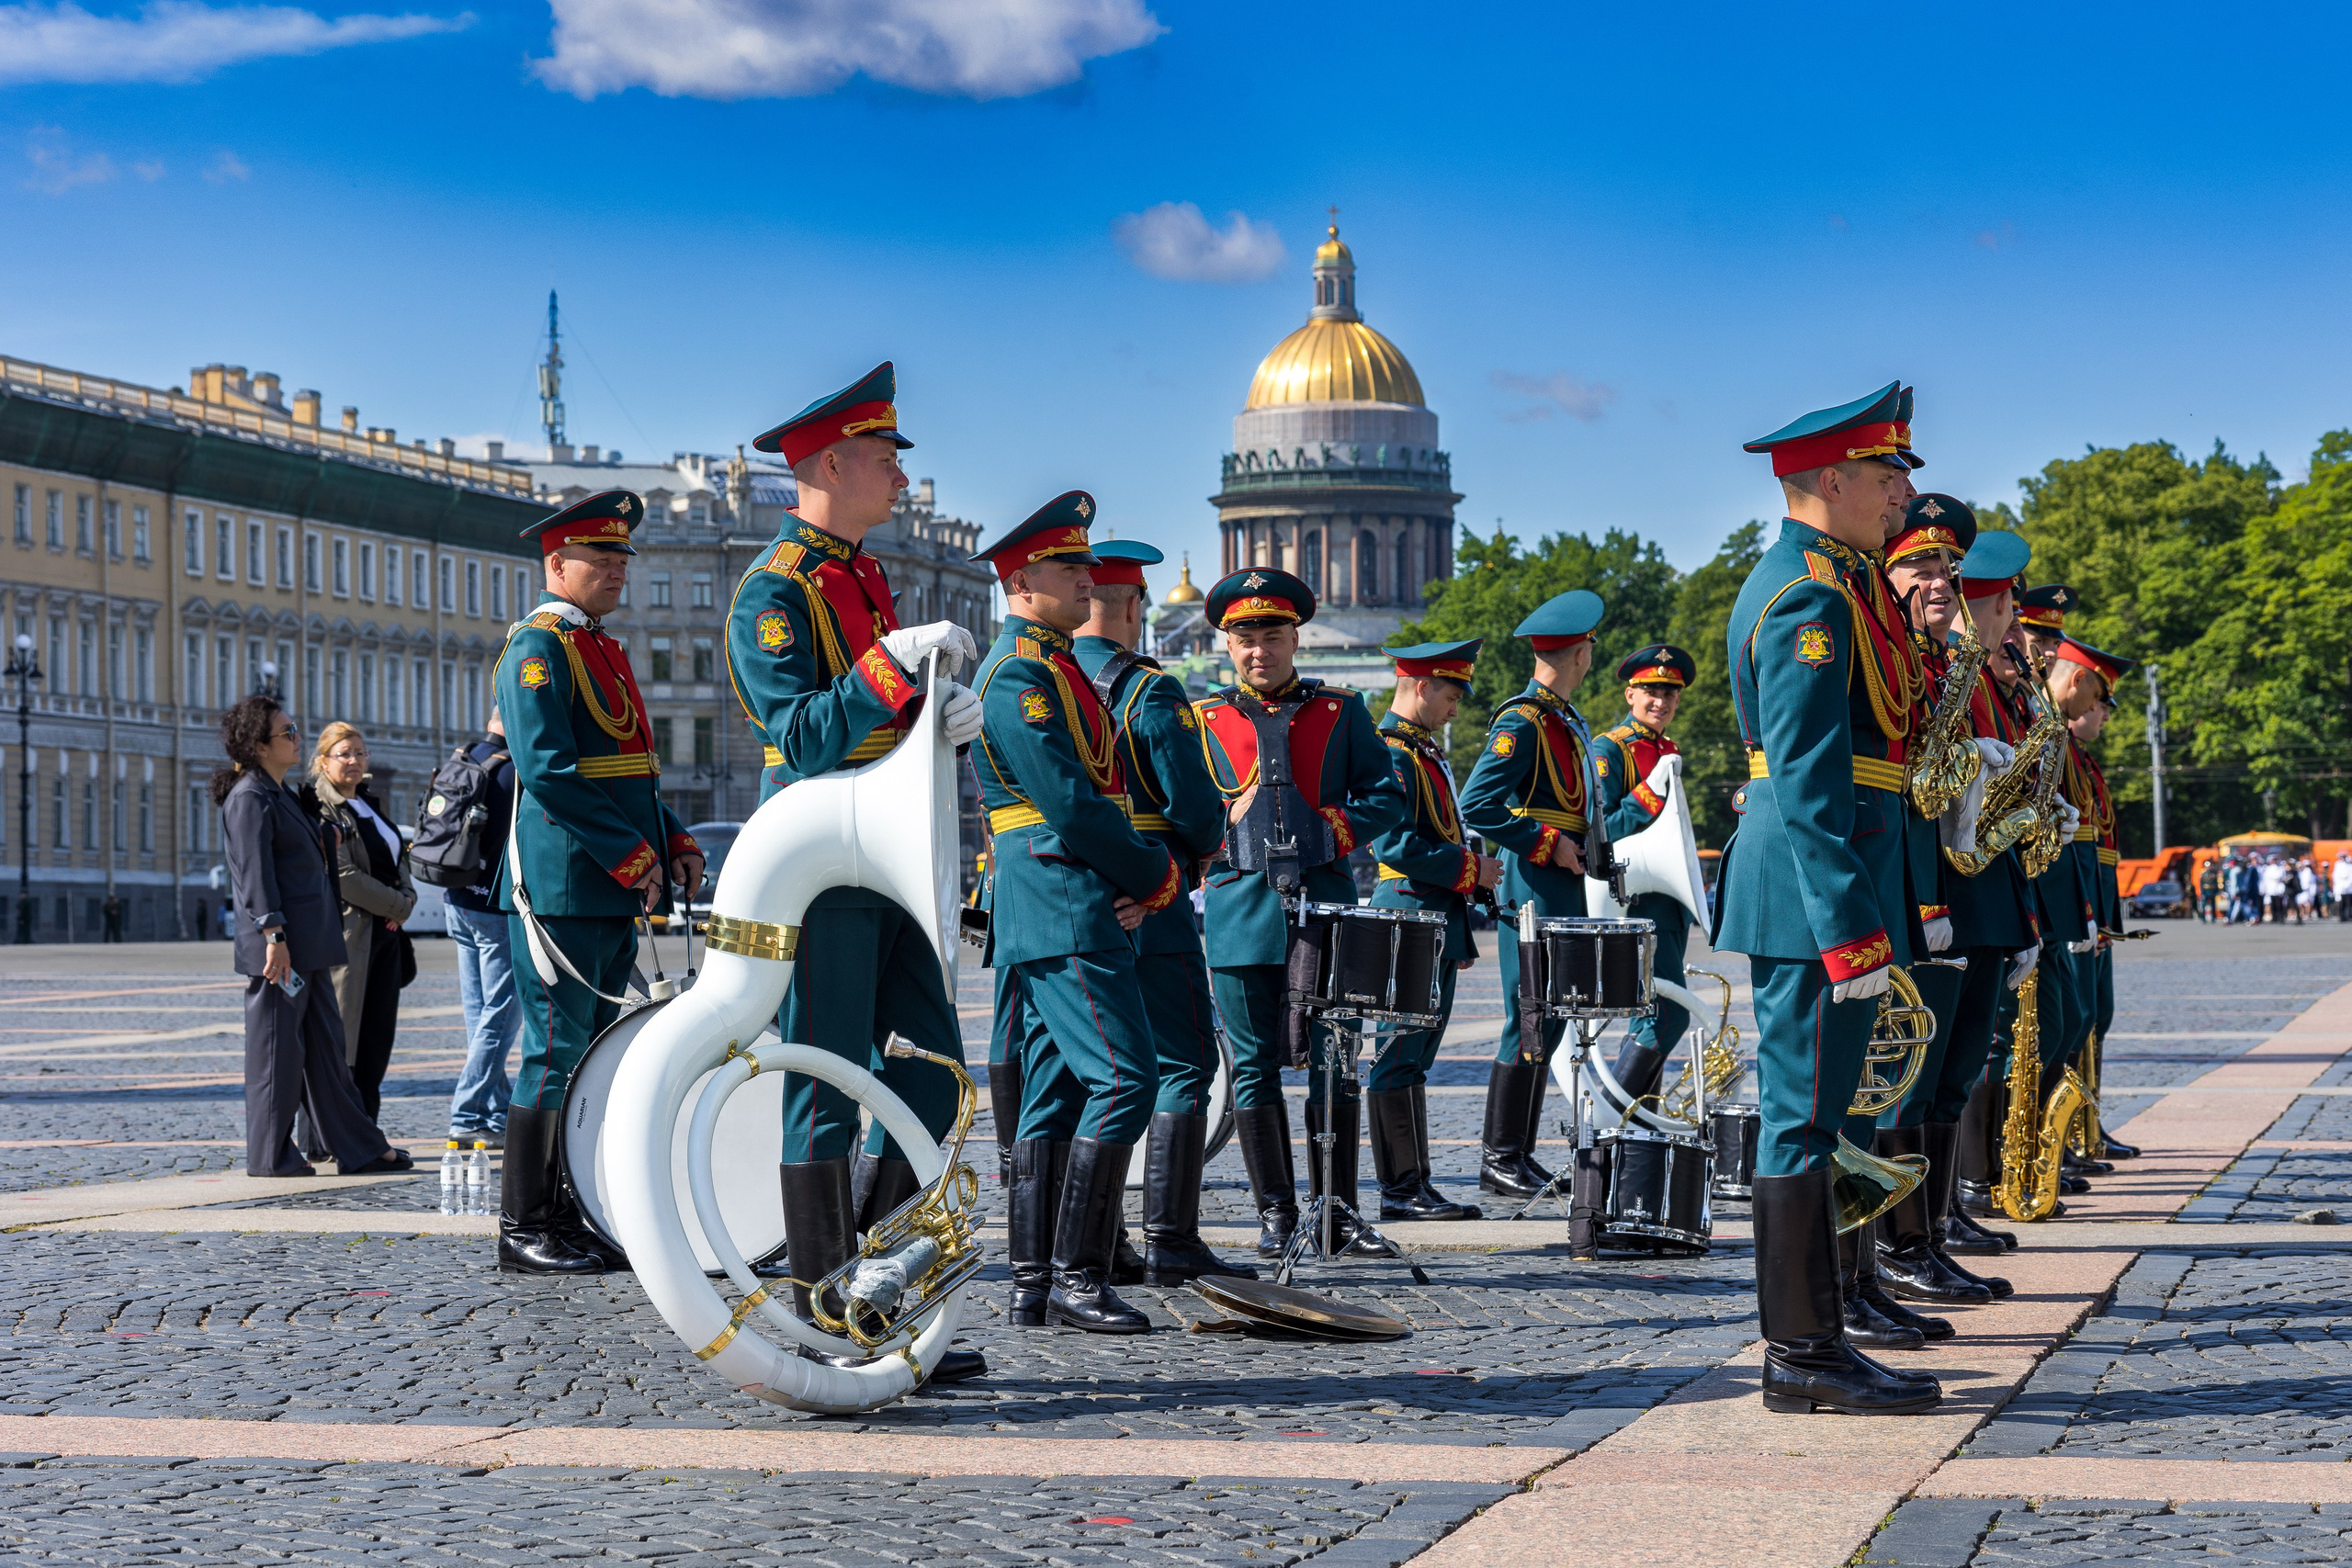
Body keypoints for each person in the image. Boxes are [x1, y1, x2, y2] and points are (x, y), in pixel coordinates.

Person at [730, 364, 989, 1377]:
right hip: (821, 860)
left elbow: (877, 723)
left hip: (884, 852)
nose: (900, 479)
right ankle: (830, 1309)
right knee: (825, 1083)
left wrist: (941, 729)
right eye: (886, 459)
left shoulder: (863, 578)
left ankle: (879, 1280)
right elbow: (800, 732)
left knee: (931, 1078)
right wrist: (894, 671)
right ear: (831, 462)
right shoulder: (775, 590)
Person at [1713, 379, 1940, 1416]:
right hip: (1814, 889)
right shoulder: (1806, 594)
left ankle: (1826, 1330)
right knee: (1801, 1120)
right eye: (1888, 474)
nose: (1902, 492)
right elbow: (1807, 777)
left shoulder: (1840, 582)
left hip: (1842, 875)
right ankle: (1800, 1352)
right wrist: (1851, 926)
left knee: (1830, 1113)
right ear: (1836, 480)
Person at [974, 493, 1185, 1334]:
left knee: (1055, 1092)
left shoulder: (1054, 667)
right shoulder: (1023, 675)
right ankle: (1077, 1273)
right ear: (1022, 580)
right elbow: (1072, 801)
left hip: (1061, 892)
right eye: (1071, 568)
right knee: (1127, 1077)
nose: (1087, 581)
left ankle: (1034, 1284)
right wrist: (1158, 873)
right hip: (1063, 892)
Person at [494, 489, 703, 1275]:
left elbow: (631, 770)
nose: (618, 570)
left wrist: (671, 838)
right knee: (552, 1053)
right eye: (602, 557)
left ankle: (568, 1209)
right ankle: (523, 1224)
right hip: (562, 885)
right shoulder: (538, 649)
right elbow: (549, 775)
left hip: (606, 883)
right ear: (557, 564)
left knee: (588, 1057)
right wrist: (632, 855)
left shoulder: (600, 648)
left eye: (623, 557)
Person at [1195, 568, 1407, 1257]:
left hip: (1328, 911)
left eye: (1274, 635)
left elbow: (1386, 793)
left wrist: (1336, 830)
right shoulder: (1203, 721)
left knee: (1335, 1062)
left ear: (1296, 638)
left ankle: (1337, 1210)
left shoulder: (1340, 712)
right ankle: (1277, 1214)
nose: (1261, 650)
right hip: (1240, 910)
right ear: (1227, 643)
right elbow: (1181, 813)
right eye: (1246, 637)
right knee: (1253, 1067)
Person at [1069, 538, 1256, 1283]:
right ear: (1133, 607)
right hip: (1155, 892)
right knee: (1184, 1062)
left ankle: (1094, 1242)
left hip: (1072, 901)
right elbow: (1193, 804)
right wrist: (1208, 840)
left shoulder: (1043, 680)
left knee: (1093, 1073)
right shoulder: (1152, 690)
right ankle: (1170, 1234)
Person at [1868, 502, 2027, 1326]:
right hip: (1926, 894)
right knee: (1907, 1081)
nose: (1940, 584)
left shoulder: (1938, 664)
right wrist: (1927, 900)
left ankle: (1922, 1233)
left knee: (1947, 1073)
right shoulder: (1901, 660)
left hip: (1966, 888)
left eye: (1948, 571)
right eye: (1919, 568)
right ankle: (1898, 1245)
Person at [216, 694, 408, 1179]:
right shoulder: (249, 796)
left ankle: (359, 1146)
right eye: (287, 732)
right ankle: (271, 1155)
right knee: (277, 1055)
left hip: (312, 944)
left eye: (295, 729)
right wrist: (272, 935)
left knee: (327, 1053)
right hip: (280, 949)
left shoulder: (279, 793)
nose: (296, 738)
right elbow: (253, 874)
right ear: (259, 745)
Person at [1458, 589, 1604, 1204]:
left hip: (1564, 883)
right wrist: (1546, 843)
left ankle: (1515, 1151)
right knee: (1529, 1016)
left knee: (1549, 1016)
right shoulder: (1522, 720)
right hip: (1538, 883)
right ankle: (1500, 1156)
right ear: (1582, 653)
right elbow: (1477, 802)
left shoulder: (1563, 718)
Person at [1367, 638, 1499, 1223]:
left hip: (1431, 914)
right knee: (1397, 1054)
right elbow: (1394, 842)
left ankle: (1415, 1183)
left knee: (1415, 1057)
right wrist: (1473, 871)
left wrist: (1461, 926)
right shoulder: (1393, 753)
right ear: (1421, 687)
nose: (1455, 708)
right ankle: (1400, 1190)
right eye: (1449, 694)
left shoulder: (1419, 750)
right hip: (1407, 908)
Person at [1589, 643, 1701, 1102]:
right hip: (1634, 900)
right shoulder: (1609, 749)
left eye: (1670, 693)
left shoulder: (1666, 748)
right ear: (1630, 694)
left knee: (1653, 1012)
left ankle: (1634, 1136)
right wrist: (1650, 796)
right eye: (1651, 691)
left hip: (1665, 904)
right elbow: (1601, 832)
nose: (1662, 701)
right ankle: (1613, 1117)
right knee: (1666, 1016)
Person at [300, 722, 417, 1124]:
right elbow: (343, 874)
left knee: (376, 1039)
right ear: (323, 760)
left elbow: (398, 856)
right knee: (343, 1041)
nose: (353, 761)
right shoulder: (319, 805)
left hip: (385, 939)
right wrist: (398, 905)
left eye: (359, 753)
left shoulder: (368, 802)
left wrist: (407, 895)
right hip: (351, 938)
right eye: (344, 754)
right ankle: (339, 1133)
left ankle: (368, 1127)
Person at [445, 709, 521, 1148]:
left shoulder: (464, 758)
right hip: (493, 907)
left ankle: (495, 1112)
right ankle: (466, 1113)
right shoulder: (513, 773)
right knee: (501, 1017)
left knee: (481, 1019)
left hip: (457, 900)